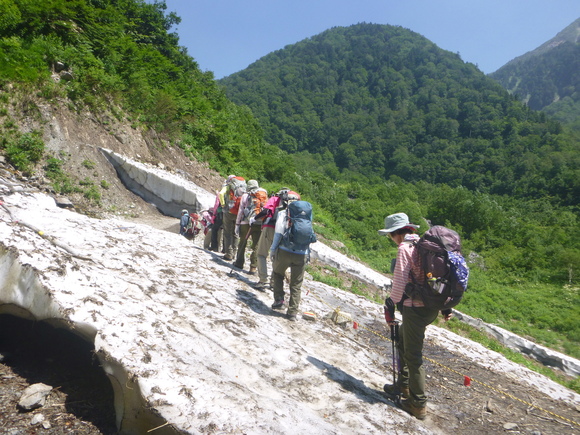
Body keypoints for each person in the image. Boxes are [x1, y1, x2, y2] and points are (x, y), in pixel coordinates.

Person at [380, 212, 452, 420]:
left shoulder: (404, 248)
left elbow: (400, 281)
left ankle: (418, 403)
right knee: (403, 341)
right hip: (430, 307)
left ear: (396, 234)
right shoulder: (424, 245)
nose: (391, 239)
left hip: (415, 308)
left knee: (413, 355)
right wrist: (445, 307)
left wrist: (391, 303)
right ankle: (402, 386)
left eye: (390, 235)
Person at [269, 192, 316, 322]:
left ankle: (279, 300)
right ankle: (292, 312)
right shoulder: (307, 216)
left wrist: (272, 250)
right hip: (301, 254)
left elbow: (278, 233)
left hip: (284, 250)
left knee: (278, 273)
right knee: (296, 284)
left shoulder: (284, 214)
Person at [233, 180, 265, 273]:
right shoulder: (262, 195)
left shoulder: (245, 196)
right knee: (256, 245)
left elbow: (240, 211)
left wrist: (237, 223)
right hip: (259, 222)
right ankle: (253, 267)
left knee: (243, 242)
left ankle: (239, 262)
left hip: (245, 223)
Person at [218, 175, 245, 261]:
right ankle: (234, 253)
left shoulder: (229, 186)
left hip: (229, 211)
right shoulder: (244, 187)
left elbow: (221, 194)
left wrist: (223, 205)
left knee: (227, 232)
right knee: (235, 233)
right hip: (239, 213)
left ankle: (229, 254)